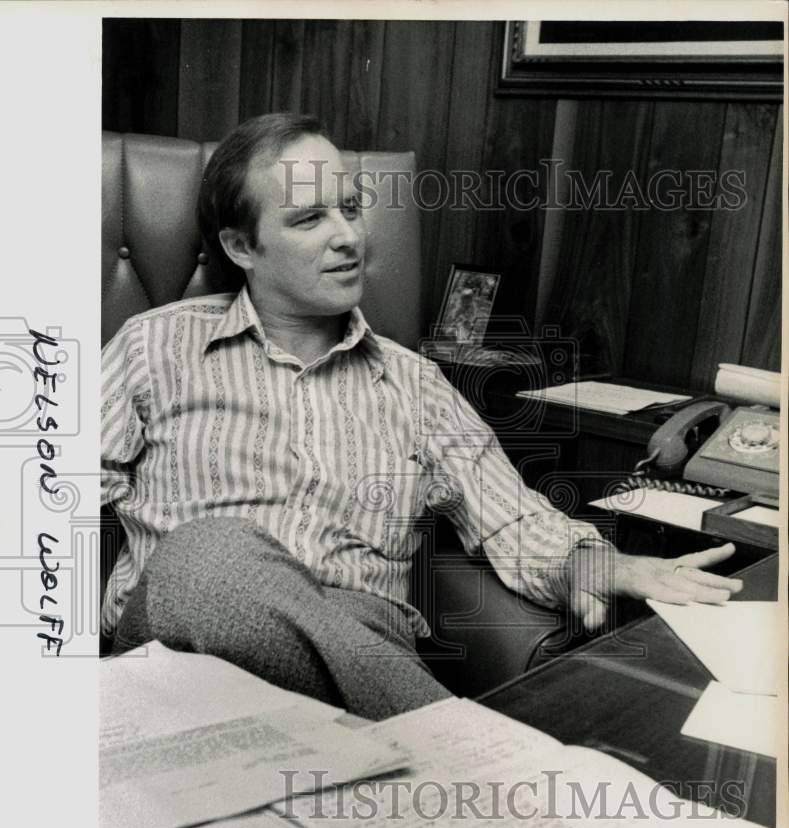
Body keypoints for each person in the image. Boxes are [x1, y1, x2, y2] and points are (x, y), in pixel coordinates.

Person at [101, 113, 742, 720]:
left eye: (350, 208)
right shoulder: (152, 347)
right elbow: (42, 493)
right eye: (310, 218)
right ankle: (449, 744)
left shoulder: (414, 385)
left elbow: (510, 516)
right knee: (209, 555)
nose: (349, 236)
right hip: (174, 658)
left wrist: (597, 565)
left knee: (238, 579)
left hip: (362, 646)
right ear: (241, 246)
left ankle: (400, 745)